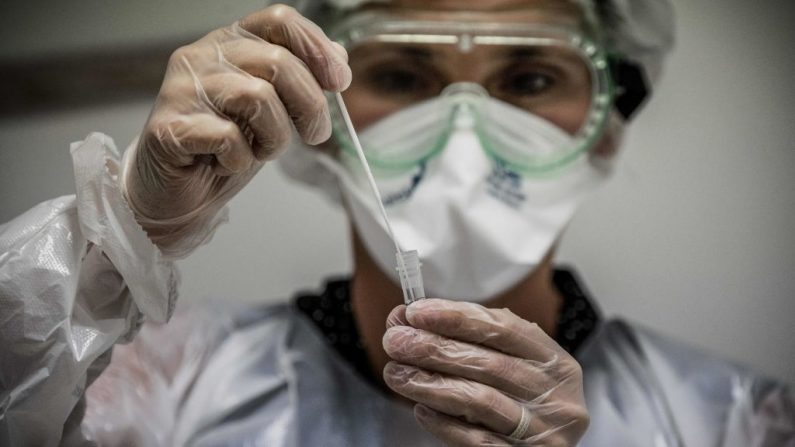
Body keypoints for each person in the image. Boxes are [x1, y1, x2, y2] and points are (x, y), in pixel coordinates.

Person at [1, 0, 793, 446]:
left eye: (529, 76)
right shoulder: (161, 388)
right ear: (320, 117)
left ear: (608, 121)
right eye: (403, 74)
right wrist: (115, 241)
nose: (463, 131)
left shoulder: (731, 420)